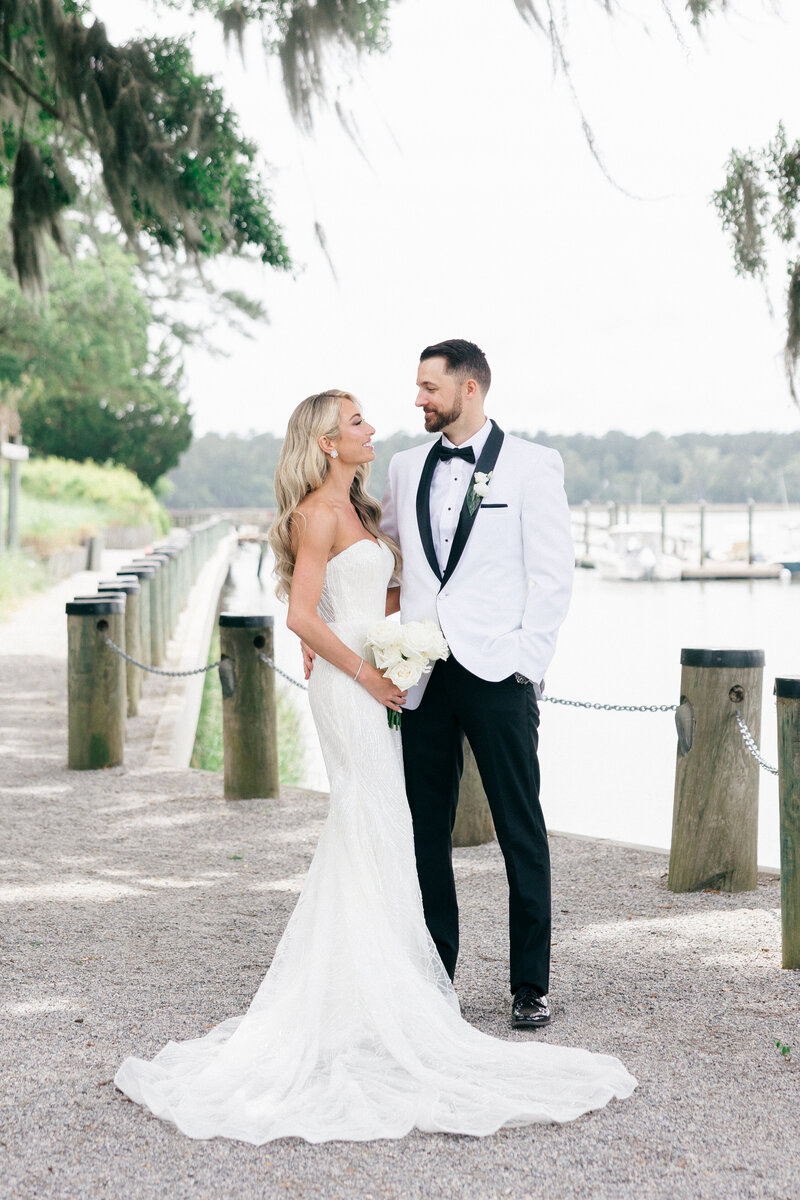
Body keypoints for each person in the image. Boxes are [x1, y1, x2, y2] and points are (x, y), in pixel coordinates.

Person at [114, 389, 635, 1143]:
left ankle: (398, 983)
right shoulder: (315, 516)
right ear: (327, 443)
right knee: (371, 822)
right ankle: (381, 993)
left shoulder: (363, 507)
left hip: (390, 677)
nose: (372, 428)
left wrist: (411, 642)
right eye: (356, 422)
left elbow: (396, 584)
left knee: (386, 827)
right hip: (354, 687)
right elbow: (300, 614)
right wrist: (365, 672)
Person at [380, 339, 574, 1031]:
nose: (418, 399)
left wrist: (527, 661)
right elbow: (393, 562)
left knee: (520, 827)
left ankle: (530, 986)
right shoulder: (403, 468)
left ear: (469, 389)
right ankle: (437, 975)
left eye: (429, 387)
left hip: (499, 673)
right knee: (423, 830)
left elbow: (553, 576)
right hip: (425, 676)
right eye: (418, 386)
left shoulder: (531, 465)